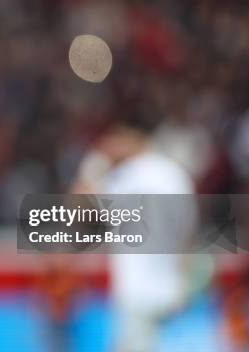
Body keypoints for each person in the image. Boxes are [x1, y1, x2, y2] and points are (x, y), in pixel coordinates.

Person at [73, 111, 196, 352]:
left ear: (130, 137)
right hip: (170, 290)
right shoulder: (176, 175)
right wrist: (183, 281)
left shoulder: (128, 175)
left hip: (136, 291)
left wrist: (94, 165)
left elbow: (80, 208)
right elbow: (187, 234)